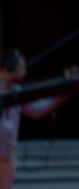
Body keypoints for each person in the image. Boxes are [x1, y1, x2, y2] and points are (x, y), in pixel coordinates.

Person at [0, 49, 26, 189]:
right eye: (21, 67)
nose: (24, 72)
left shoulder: (18, 91)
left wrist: (62, 96)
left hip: (9, 157)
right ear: (9, 67)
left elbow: (37, 109)